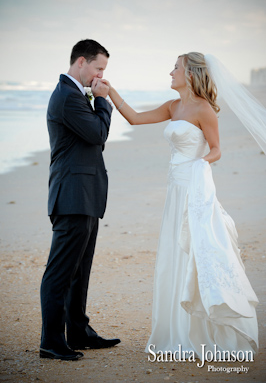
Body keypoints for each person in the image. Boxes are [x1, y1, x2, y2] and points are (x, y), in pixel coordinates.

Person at [105, 52, 261, 359]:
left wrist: (199, 166)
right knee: (173, 251)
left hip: (193, 187)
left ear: (189, 73)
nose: (170, 72)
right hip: (173, 189)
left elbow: (216, 150)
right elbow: (135, 118)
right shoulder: (172, 106)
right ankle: (175, 328)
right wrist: (110, 91)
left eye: (175, 68)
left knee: (193, 250)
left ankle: (201, 329)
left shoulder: (204, 109)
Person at [40, 39, 120, 361]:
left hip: (84, 194)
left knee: (79, 271)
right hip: (72, 195)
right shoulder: (67, 97)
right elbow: (97, 135)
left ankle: (78, 331)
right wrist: (102, 102)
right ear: (82, 62)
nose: (101, 75)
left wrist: (97, 99)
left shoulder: (73, 94)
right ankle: (52, 341)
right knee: (60, 272)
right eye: (99, 68)